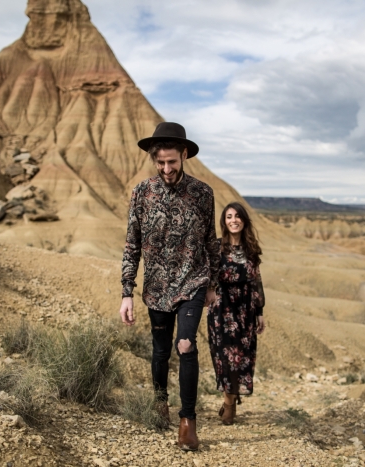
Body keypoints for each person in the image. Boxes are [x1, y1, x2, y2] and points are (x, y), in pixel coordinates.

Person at [119, 122, 219, 451]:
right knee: (161, 352)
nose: (166, 168)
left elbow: (210, 242)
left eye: (172, 162)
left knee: (186, 345)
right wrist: (126, 293)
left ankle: (187, 421)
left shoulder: (203, 193)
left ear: (184, 155)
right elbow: (131, 245)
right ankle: (159, 403)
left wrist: (212, 285)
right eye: (160, 162)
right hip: (156, 288)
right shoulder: (141, 193)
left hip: (192, 281)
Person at [207, 202, 265, 425]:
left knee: (241, 358)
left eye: (237, 216)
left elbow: (257, 280)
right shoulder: (216, 247)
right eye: (229, 216)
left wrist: (260, 311)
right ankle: (230, 403)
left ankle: (230, 398)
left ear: (244, 220)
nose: (233, 220)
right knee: (226, 359)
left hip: (246, 311)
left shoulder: (251, 249)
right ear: (224, 221)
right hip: (221, 310)